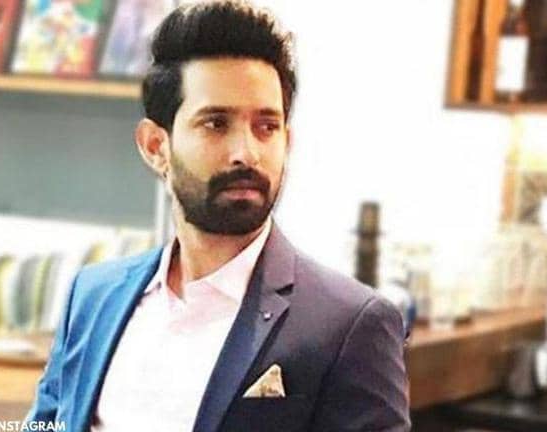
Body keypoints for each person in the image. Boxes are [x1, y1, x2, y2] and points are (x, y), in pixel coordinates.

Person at [25, 1, 410, 431]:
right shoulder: (93, 295)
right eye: (216, 124)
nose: (246, 152)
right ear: (156, 147)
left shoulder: (349, 325)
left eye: (266, 127)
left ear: (288, 141)